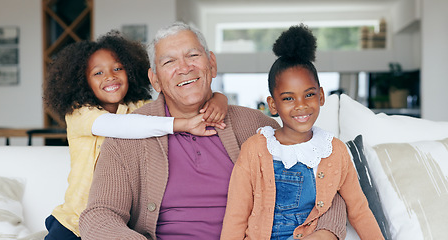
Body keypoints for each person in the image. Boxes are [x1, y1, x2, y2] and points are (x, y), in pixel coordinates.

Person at [79, 22, 348, 240]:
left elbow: (324, 186)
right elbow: (100, 215)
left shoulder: (257, 127)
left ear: (212, 65)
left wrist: (325, 233)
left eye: (193, 55)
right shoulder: (130, 134)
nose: (184, 68)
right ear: (155, 80)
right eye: (169, 61)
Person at [42, 30, 228, 239]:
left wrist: (219, 98)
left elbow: (176, 100)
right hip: (74, 221)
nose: (110, 76)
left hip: (118, 224)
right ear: (81, 81)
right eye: (98, 73)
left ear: (130, 71)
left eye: (118, 68)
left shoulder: (137, 107)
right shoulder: (79, 114)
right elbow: (118, 125)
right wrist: (182, 124)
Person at [220, 24, 384, 240]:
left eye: (309, 95)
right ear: (273, 104)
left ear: (321, 96)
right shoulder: (255, 149)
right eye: (288, 98)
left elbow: (359, 211)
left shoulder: (334, 151)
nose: (301, 105)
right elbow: (236, 215)